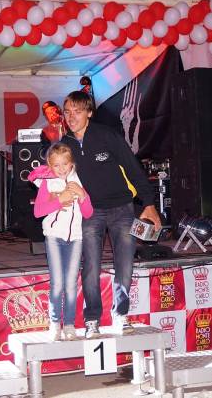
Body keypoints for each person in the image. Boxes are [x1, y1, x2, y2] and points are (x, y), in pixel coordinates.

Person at [61, 90, 161, 338]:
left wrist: (149, 204)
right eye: (67, 112)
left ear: (89, 113)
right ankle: (92, 319)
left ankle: (121, 314)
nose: (71, 117)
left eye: (77, 111)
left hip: (122, 209)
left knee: (124, 264)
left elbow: (133, 168)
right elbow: (51, 176)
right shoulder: (65, 145)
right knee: (91, 266)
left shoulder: (107, 135)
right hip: (90, 211)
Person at [29, 143, 93, 341]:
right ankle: (55, 323)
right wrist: (59, 200)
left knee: (71, 284)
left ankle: (70, 324)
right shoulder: (47, 183)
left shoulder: (78, 180)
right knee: (57, 283)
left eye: (65, 164)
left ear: (71, 163)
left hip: (76, 238)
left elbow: (88, 213)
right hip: (54, 237)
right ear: (50, 165)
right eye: (56, 165)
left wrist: (82, 195)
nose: (61, 169)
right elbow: (38, 212)